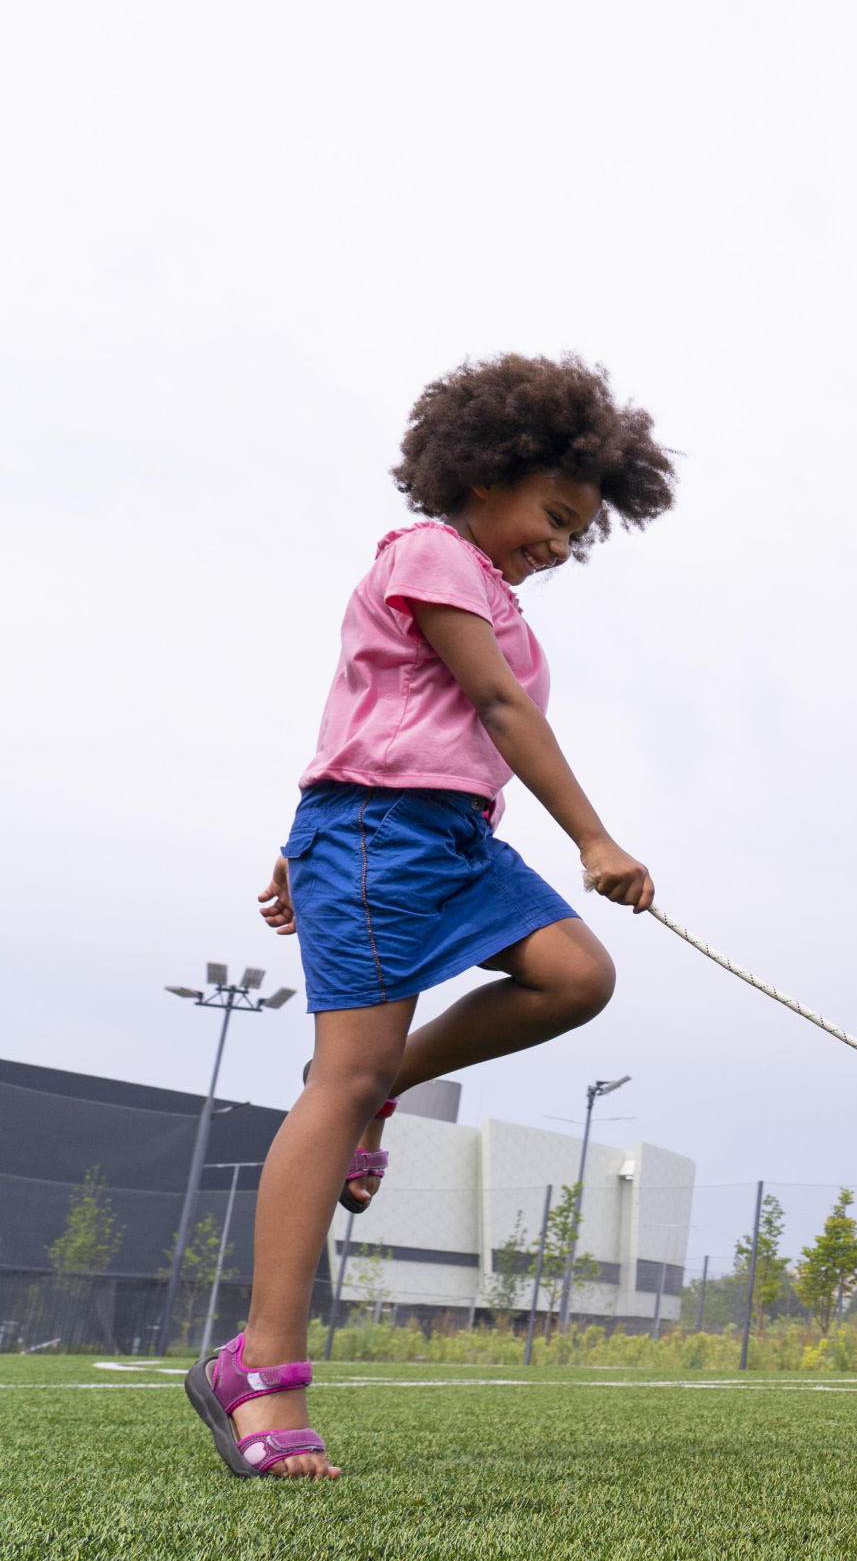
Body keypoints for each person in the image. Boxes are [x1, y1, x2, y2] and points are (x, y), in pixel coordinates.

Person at [185, 354, 674, 1479]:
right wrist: (594, 837)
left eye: (576, 532)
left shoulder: (495, 595)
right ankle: (260, 1370)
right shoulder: (428, 551)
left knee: (573, 974)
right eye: (553, 515)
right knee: (336, 1078)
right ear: (488, 471)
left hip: (446, 840)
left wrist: (299, 836)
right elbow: (492, 707)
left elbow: (381, 704)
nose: (559, 544)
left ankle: (387, 1090)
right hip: (379, 837)